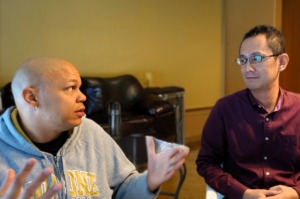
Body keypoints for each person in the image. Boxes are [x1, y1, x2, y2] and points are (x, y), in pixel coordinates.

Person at [0, 56, 189, 198]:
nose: (82, 97)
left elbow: (124, 188)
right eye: (71, 88)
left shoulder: (91, 132)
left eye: (80, 88)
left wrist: (149, 181)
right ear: (32, 97)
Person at [196, 24, 300, 199]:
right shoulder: (224, 109)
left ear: (282, 62)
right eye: (243, 60)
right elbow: (206, 163)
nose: (247, 68)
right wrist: (244, 193)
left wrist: (296, 192)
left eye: (256, 58)